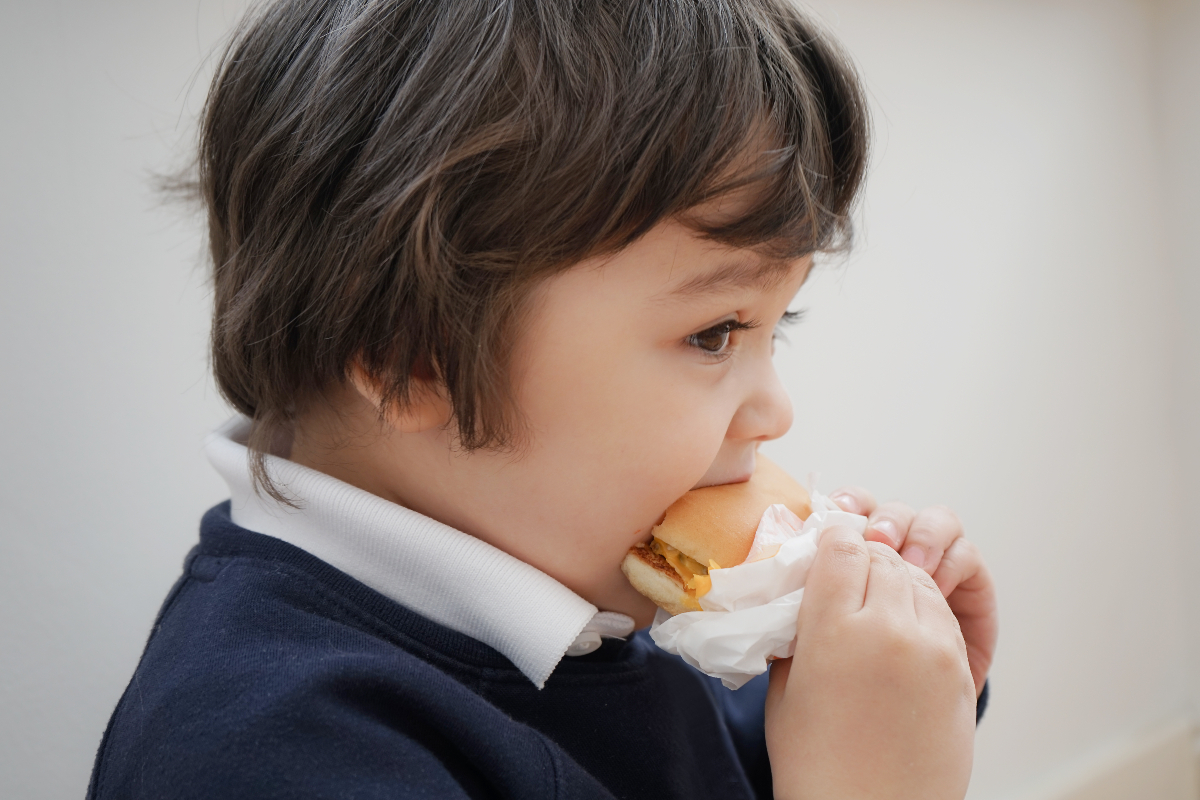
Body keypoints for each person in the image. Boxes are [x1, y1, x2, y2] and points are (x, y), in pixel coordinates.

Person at [88, 1, 998, 798]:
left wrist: (877, 689)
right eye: (715, 332)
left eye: (776, 325)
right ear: (416, 361)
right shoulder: (268, 752)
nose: (776, 413)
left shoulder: (551, 571)